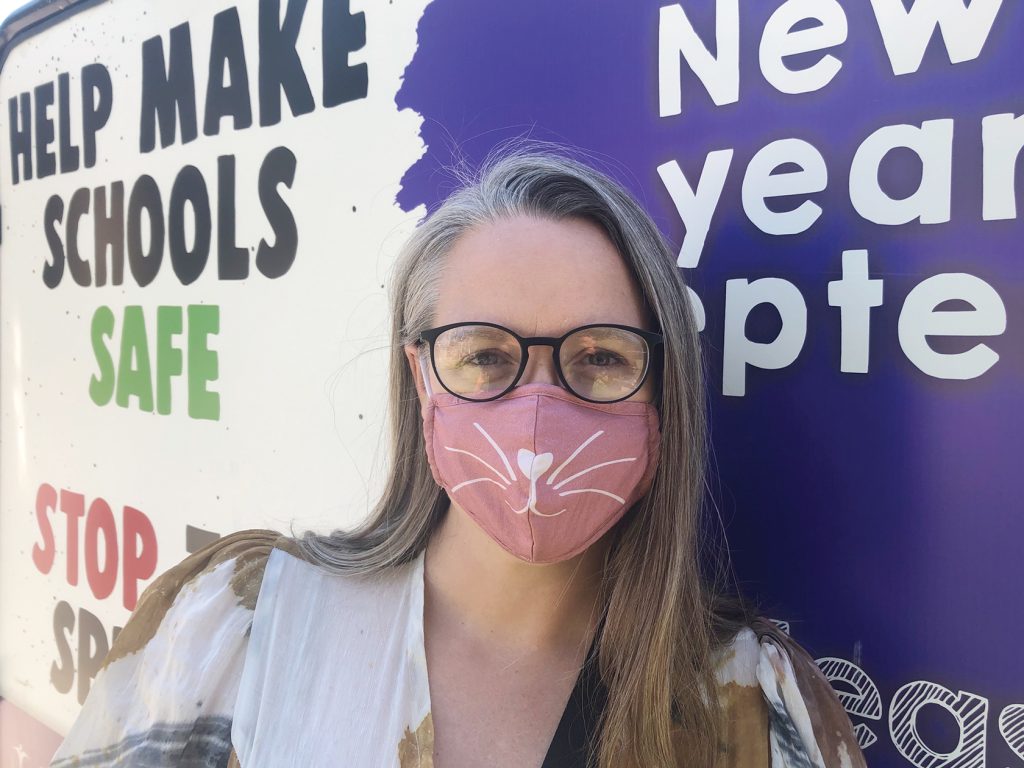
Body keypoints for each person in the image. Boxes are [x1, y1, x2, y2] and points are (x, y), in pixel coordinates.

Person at [49, 145, 867, 768]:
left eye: (601, 357)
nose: (539, 414)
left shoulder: (754, 706)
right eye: (485, 356)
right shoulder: (239, 627)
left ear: (662, 394)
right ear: (421, 378)